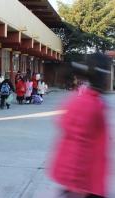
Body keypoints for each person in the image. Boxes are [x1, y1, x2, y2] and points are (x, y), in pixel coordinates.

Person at [49, 53, 111, 198]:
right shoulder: (89, 104)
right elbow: (78, 146)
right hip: (84, 185)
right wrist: (77, 186)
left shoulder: (93, 101)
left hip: (87, 182)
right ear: (102, 75)